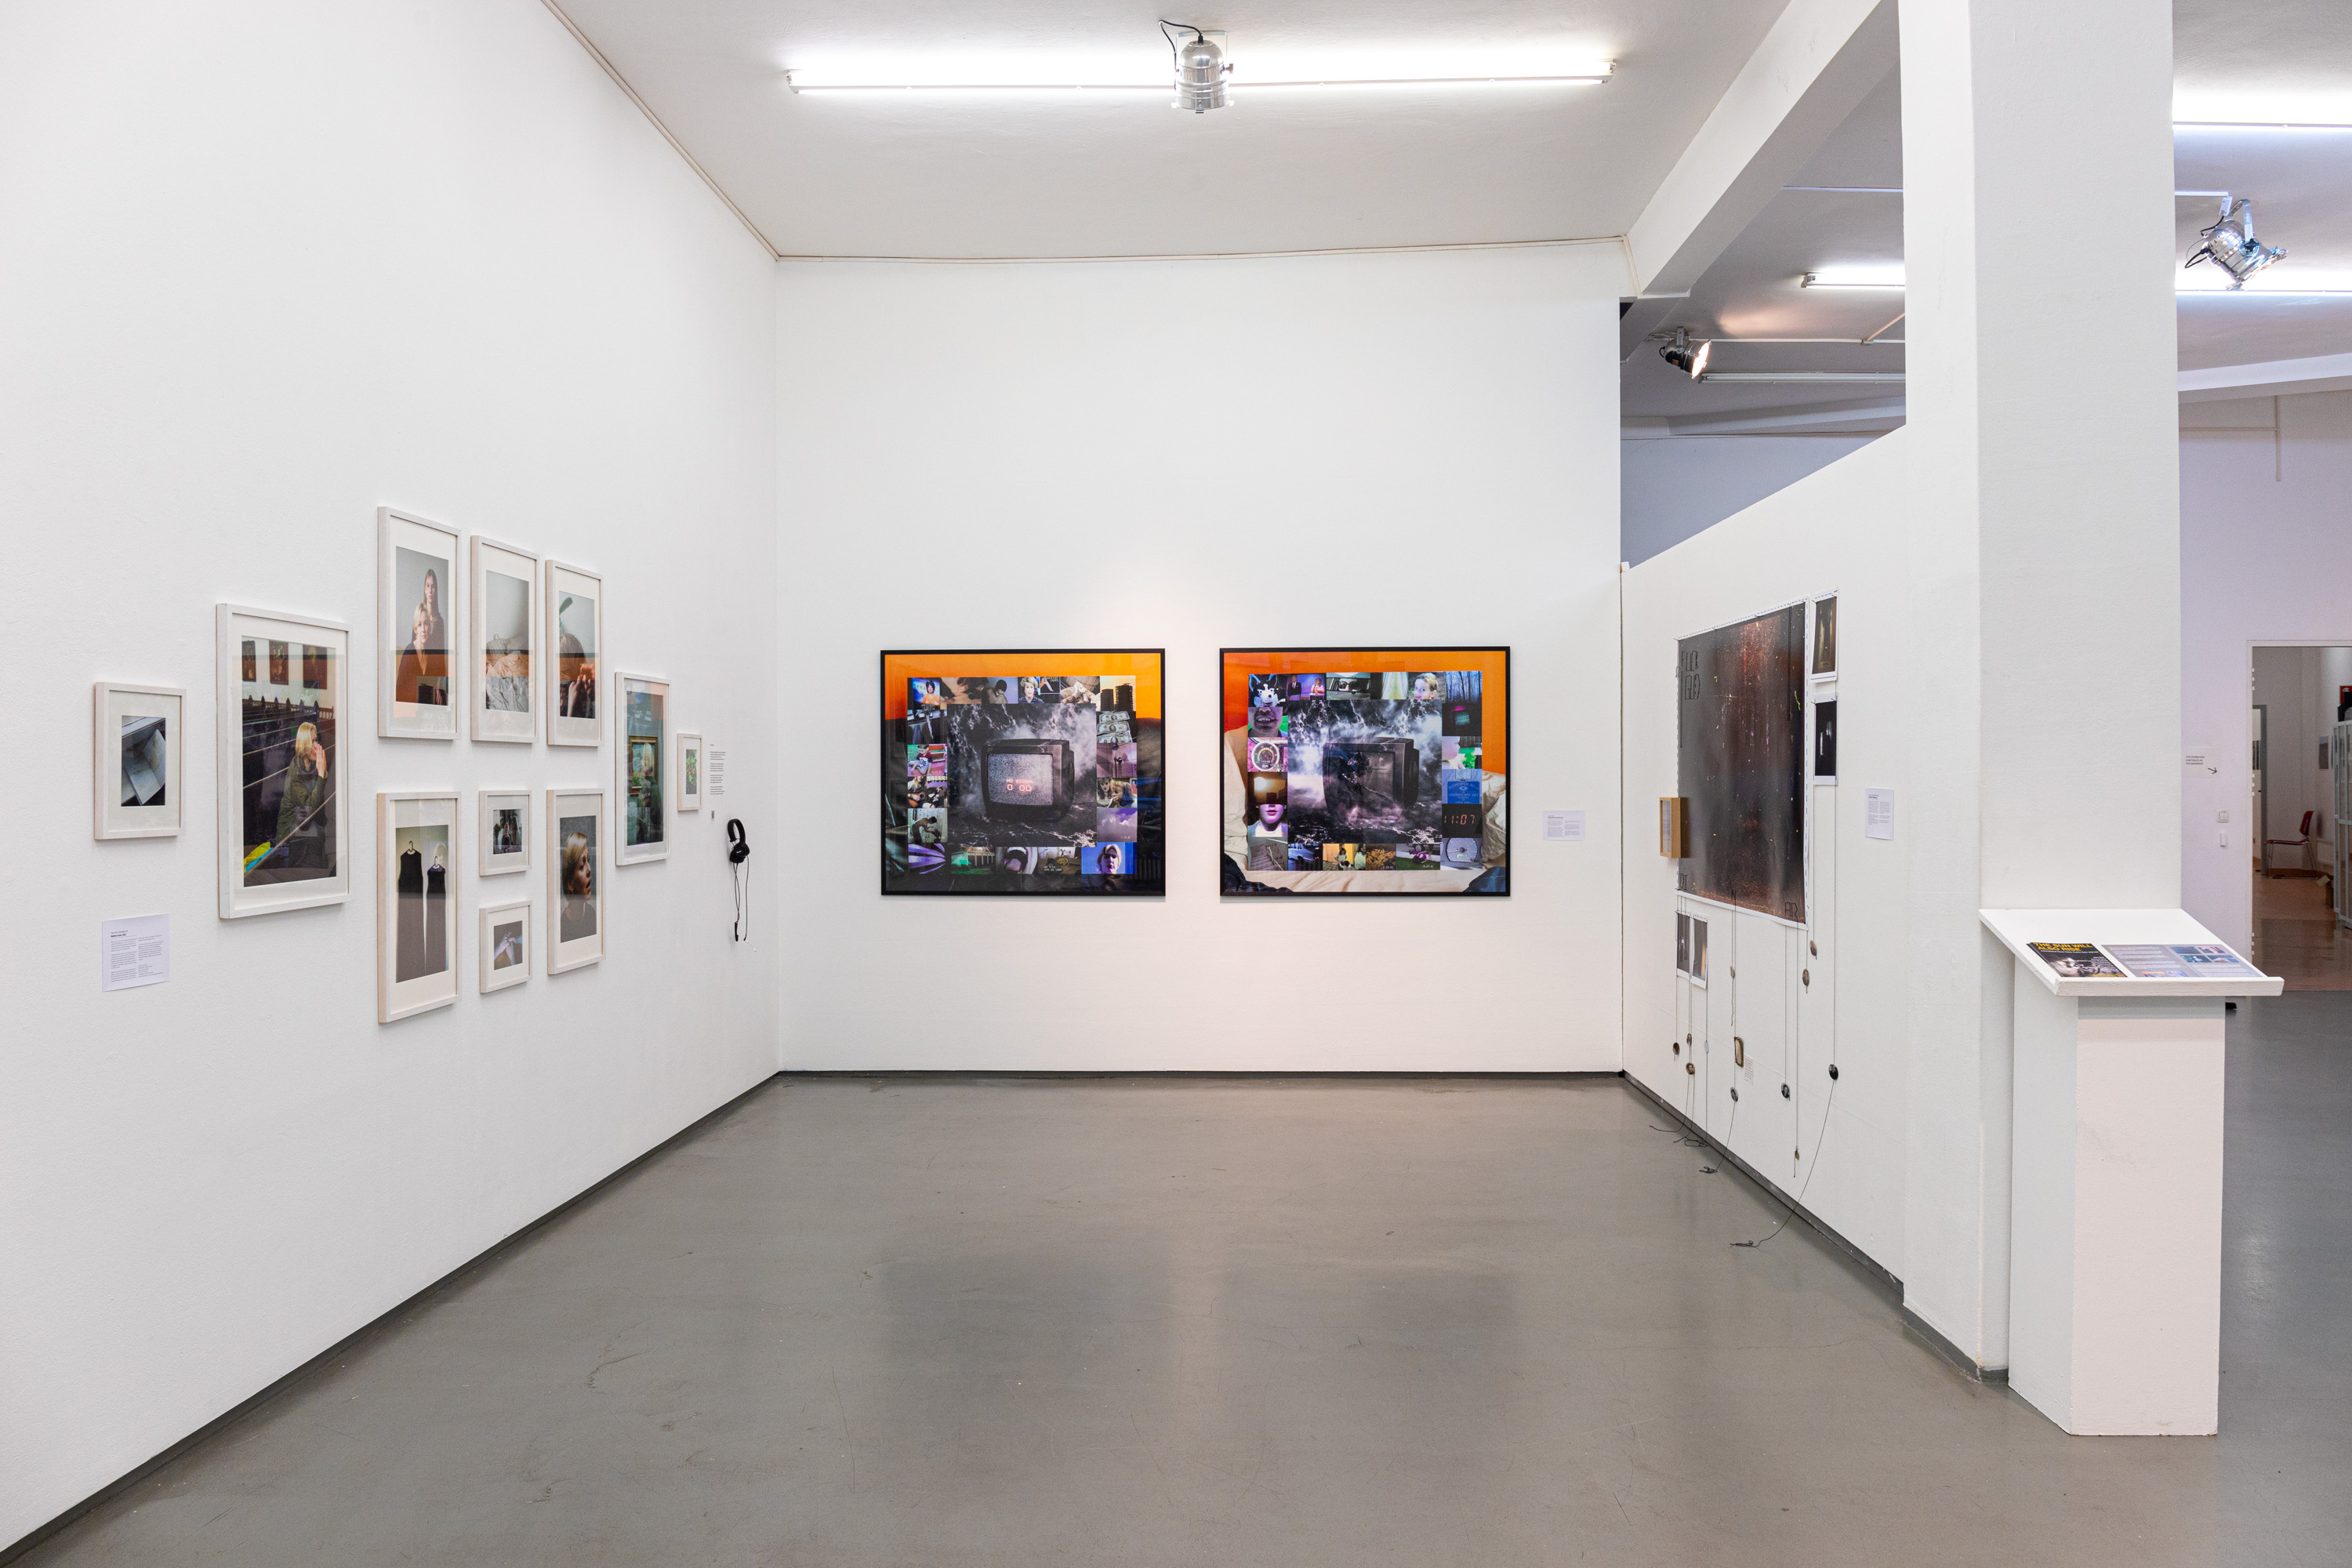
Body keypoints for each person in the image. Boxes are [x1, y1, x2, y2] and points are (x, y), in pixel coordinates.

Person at [272, 720, 332, 874]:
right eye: (312, 742)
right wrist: (321, 773)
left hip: (305, 826)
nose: (316, 746)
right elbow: (311, 807)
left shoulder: (310, 765)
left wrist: (323, 772)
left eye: (316, 740)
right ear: (304, 745)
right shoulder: (296, 774)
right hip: (290, 837)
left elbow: (322, 795)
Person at [396, 568, 448, 706]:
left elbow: (440, 657)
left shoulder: (440, 621)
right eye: (427, 586)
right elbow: (413, 648)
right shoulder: (419, 614)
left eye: (433, 586)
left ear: (436, 590)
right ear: (424, 589)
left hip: (432, 672)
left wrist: (438, 686)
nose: (430, 590)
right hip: (418, 670)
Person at [560, 831, 597, 942]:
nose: (589, 870)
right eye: (582, 866)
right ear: (570, 884)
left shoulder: (591, 913)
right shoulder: (563, 927)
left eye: (588, 861)